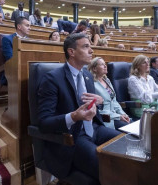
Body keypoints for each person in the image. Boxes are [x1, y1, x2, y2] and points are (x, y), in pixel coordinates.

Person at [37, 33, 121, 182]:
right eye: (86, 46)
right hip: (73, 137)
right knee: (109, 168)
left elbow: (91, 107)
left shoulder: (88, 76)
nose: (91, 51)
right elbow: (44, 122)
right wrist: (74, 116)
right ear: (71, 52)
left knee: (127, 145)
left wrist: (98, 101)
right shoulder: (52, 78)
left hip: (95, 128)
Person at [88, 57, 130, 129]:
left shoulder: (107, 80)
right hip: (106, 119)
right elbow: (98, 109)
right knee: (128, 129)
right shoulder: (92, 84)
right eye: (102, 64)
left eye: (105, 64)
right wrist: (118, 116)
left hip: (115, 115)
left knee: (132, 124)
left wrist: (123, 114)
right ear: (94, 69)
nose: (105, 66)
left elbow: (114, 101)